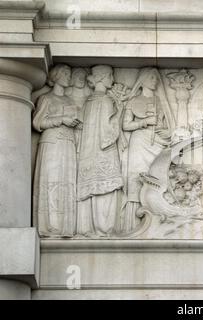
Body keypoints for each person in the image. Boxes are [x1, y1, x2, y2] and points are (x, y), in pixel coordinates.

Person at [120, 68, 174, 232]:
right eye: (151, 77)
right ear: (142, 80)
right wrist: (144, 122)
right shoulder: (133, 101)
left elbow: (165, 125)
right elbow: (125, 125)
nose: (155, 81)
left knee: (157, 178)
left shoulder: (159, 101)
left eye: (156, 78)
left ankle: (158, 219)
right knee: (137, 178)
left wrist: (165, 132)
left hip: (157, 143)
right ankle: (133, 224)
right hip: (139, 142)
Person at [33, 64, 79, 237]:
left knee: (66, 183)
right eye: (66, 73)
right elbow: (38, 123)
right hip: (52, 144)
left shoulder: (69, 101)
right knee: (51, 183)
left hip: (67, 144)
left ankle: (65, 226)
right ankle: (50, 226)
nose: (69, 76)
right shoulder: (46, 99)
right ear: (56, 76)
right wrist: (61, 119)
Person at [77, 65, 123, 237]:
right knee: (107, 189)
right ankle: (105, 228)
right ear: (103, 78)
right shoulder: (105, 101)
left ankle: (90, 227)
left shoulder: (89, 101)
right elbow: (107, 132)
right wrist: (120, 111)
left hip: (88, 153)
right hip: (104, 152)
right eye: (111, 75)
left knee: (92, 188)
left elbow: (80, 124)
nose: (113, 79)